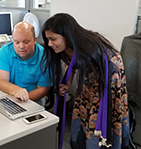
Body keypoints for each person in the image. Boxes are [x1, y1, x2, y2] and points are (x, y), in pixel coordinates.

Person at [40, 13, 129, 148]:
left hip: (109, 83)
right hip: (89, 81)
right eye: (47, 39)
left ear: (67, 36)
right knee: (83, 112)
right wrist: (68, 82)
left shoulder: (90, 48)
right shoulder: (66, 47)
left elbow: (105, 72)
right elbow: (71, 62)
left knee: (99, 120)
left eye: (53, 39)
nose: (49, 44)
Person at [0, 22, 51, 106]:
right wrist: (16, 91)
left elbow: (42, 90)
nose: (21, 46)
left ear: (35, 40)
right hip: (5, 96)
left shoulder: (44, 58)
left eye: (26, 42)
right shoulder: (4, 52)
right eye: (16, 42)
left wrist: (21, 99)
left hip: (31, 100)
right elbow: (1, 81)